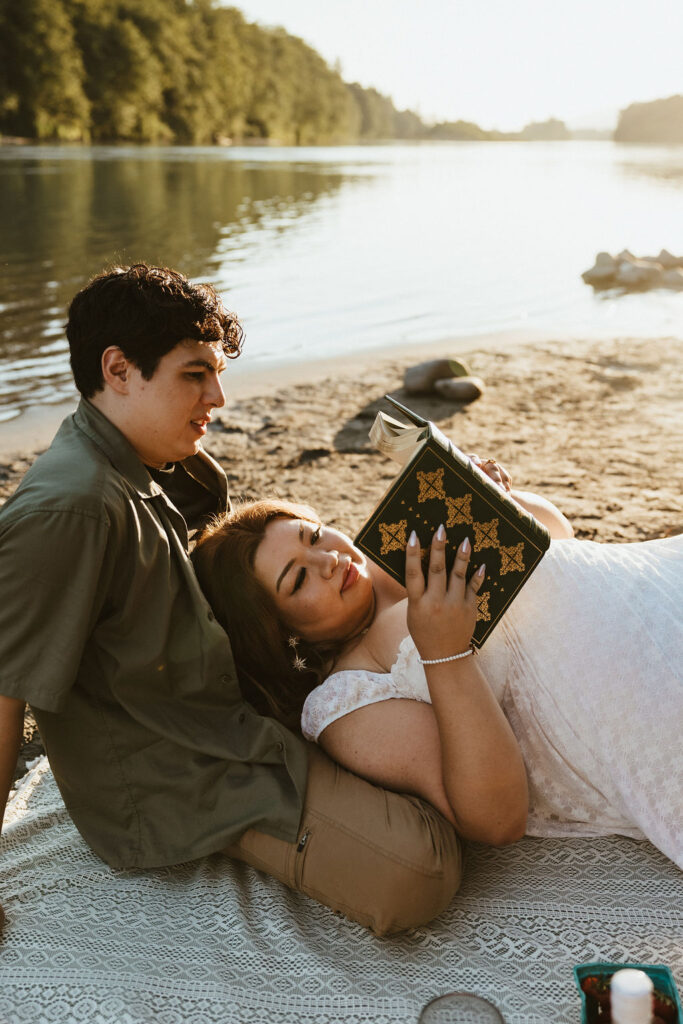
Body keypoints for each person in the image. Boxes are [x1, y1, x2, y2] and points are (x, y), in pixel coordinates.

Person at [0, 264, 465, 939]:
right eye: (195, 374)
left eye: (217, 372)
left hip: (235, 701)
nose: (218, 397)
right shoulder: (69, 510)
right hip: (177, 771)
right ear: (119, 369)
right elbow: (4, 694)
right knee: (420, 875)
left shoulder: (169, 463)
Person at [191, 478, 683, 869]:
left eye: (314, 535)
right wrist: (444, 653)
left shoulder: (390, 542)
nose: (329, 559)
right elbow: (496, 819)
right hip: (629, 693)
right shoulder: (346, 700)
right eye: (298, 578)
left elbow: (557, 532)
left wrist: (499, 500)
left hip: (638, 584)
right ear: (284, 636)